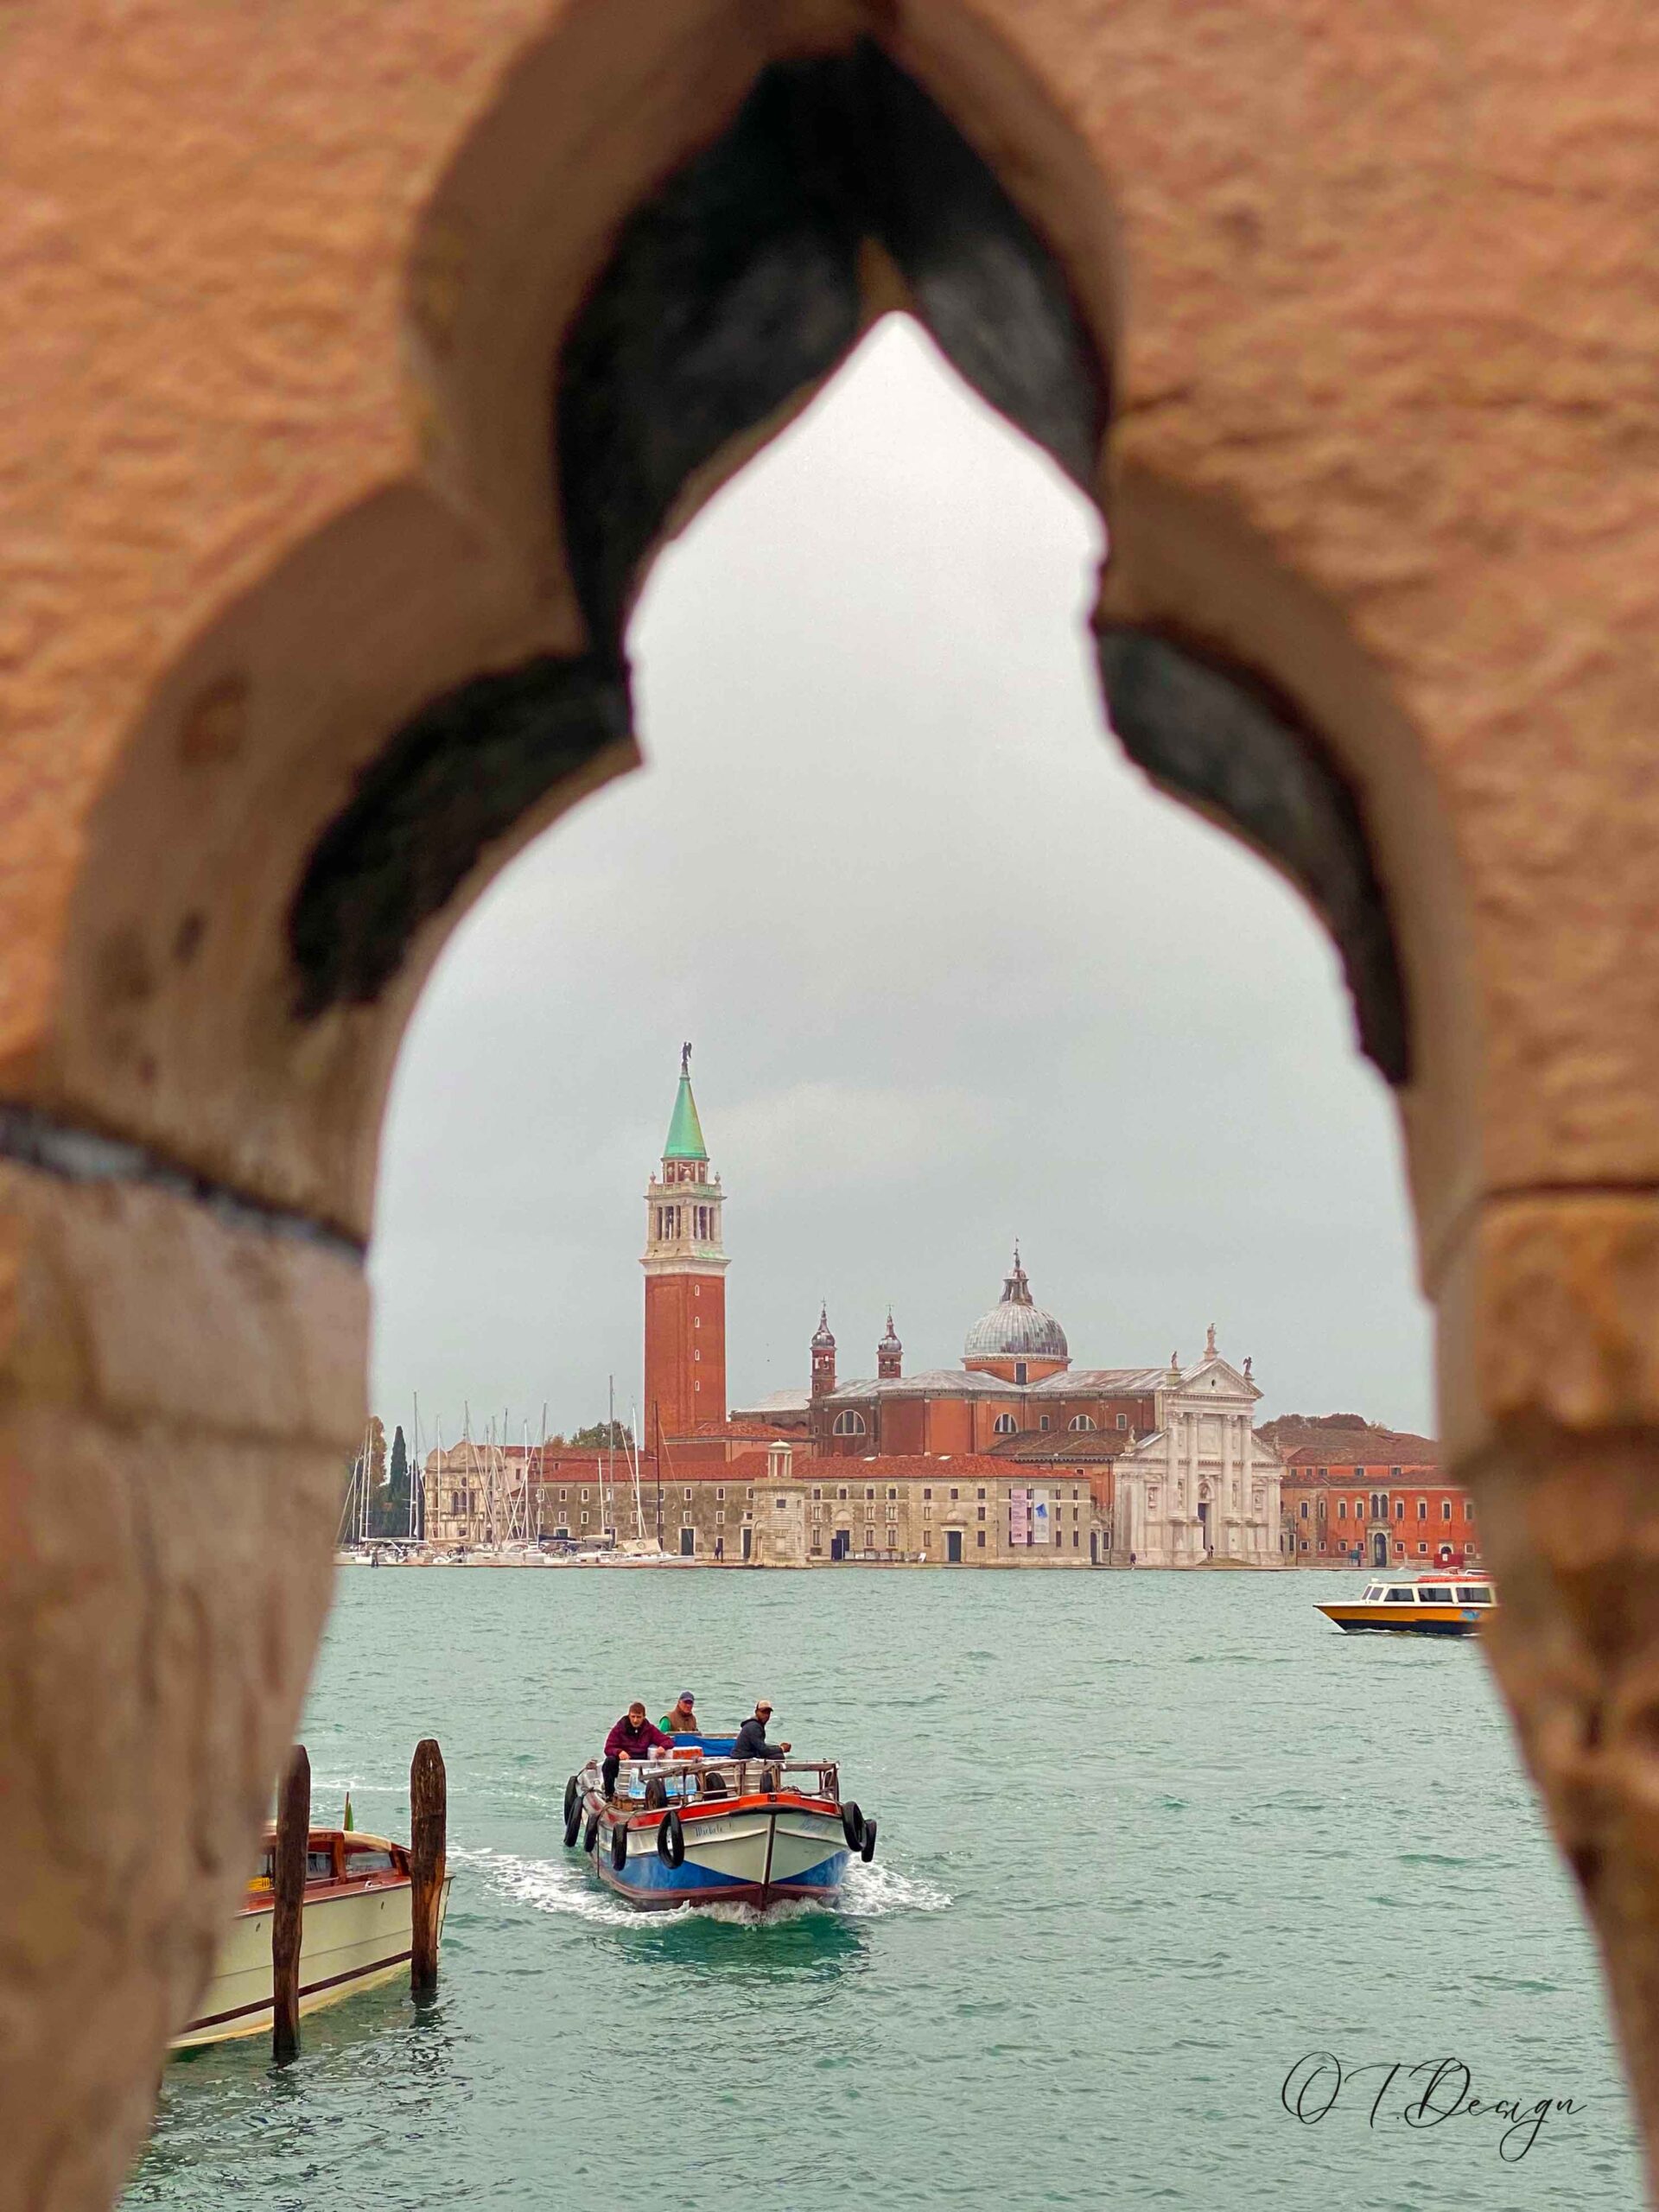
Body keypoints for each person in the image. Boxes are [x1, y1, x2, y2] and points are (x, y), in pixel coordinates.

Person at [602, 1701, 671, 1798]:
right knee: (609, 1761)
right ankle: (609, 1794)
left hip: (642, 1763)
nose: (635, 1720)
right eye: (633, 1717)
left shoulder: (649, 1729)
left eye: (638, 1717)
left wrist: (663, 1747)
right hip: (623, 1763)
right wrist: (619, 1752)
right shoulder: (619, 1728)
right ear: (629, 1716)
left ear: (644, 1717)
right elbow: (608, 1748)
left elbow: (668, 1741)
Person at [732, 1700, 791, 1764]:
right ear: (756, 1712)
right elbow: (763, 1751)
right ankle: (768, 1772)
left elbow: (761, 1746)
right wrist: (782, 1749)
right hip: (742, 1756)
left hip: (746, 1754)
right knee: (779, 1757)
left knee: (777, 1753)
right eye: (763, 1712)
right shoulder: (754, 1727)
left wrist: (778, 1747)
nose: (766, 1715)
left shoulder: (755, 1724)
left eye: (768, 1713)